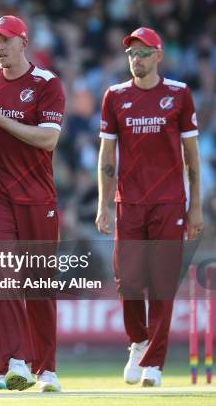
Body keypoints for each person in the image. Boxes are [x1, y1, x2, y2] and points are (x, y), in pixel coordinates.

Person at [95, 27, 202, 387]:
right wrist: (103, 204)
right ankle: (138, 343)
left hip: (169, 202)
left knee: (161, 284)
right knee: (127, 282)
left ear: (159, 55)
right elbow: (106, 155)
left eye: (142, 53)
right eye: (131, 54)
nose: (135, 59)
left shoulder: (179, 95)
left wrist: (196, 207)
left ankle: (153, 362)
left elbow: (192, 158)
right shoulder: (114, 96)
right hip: (130, 202)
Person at [0, 16, 65, 392]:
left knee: (40, 285)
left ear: (23, 42)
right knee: (2, 274)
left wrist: (1, 120)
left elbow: (48, 140)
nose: (0, 47)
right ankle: (13, 362)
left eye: (6, 40)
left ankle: (46, 368)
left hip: (37, 196)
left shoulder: (47, 84)